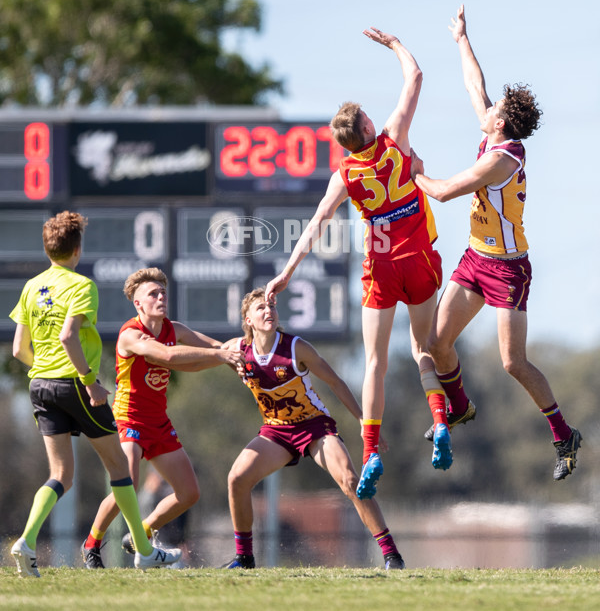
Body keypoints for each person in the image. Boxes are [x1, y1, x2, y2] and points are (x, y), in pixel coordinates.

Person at [266, 27, 449, 501]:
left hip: (381, 266)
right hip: (420, 259)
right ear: (367, 128)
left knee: (374, 362)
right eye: (368, 115)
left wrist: (286, 274)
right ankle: (440, 420)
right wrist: (394, 45)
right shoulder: (395, 141)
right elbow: (416, 77)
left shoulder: (344, 174)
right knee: (423, 345)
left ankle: (370, 451)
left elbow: (314, 226)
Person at [410, 4, 581, 480]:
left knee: (512, 362)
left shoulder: (500, 161)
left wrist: (414, 171)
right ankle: (460, 408)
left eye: (495, 112)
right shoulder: (494, 132)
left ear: (502, 125)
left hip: (508, 268)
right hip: (475, 259)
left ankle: (564, 434)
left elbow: (443, 192)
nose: (487, 111)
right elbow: (473, 85)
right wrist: (462, 38)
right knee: (437, 343)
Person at [9, 212, 181, 577]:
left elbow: (18, 350)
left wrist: (45, 370)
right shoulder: (81, 286)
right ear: (78, 249)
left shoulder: (31, 286)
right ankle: (146, 550)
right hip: (75, 384)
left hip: (39, 385)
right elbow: (68, 336)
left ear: (47, 248)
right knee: (121, 469)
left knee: (60, 475)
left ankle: (26, 540)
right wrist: (89, 381)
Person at [222, 287, 405, 570]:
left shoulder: (296, 347)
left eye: (272, 306)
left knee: (349, 481)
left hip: (315, 427)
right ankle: (244, 559)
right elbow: (202, 352)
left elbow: (335, 382)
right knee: (236, 479)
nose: (268, 311)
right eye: (260, 308)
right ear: (247, 319)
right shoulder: (237, 351)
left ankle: (391, 554)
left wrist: (362, 420)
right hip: (276, 431)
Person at [81, 267, 242, 569]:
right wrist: (221, 356)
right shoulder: (130, 335)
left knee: (189, 493)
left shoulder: (174, 329)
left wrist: (240, 348)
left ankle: (141, 532)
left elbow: (209, 352)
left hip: (159, 423)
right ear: (138, 304)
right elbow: (167, 357)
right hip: (129, 420)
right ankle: (92, 544)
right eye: (153, 294)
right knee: (126, 487)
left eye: (163, 292)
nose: (160, 297)